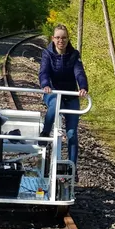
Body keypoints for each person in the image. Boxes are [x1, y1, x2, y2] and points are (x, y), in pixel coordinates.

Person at [39, 24, 88, 179]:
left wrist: (83, 87)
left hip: (70, 95)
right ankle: (46, 133)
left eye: (64, 37)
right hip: (52, 93)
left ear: (68, 39)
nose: (61, 40)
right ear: (53, 39)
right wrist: (45, 84)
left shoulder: (74, 55)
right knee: (55, 105)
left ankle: (72, 169)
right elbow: (44, 72)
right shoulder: (47, 53)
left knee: (72, 133)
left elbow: (79, 72)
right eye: (58, 37)